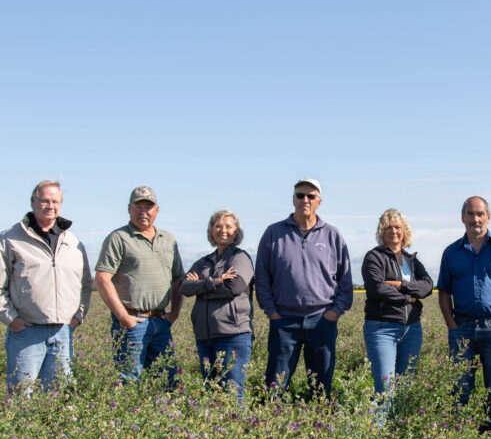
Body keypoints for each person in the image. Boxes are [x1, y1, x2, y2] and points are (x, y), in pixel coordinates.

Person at [0, 180, 92, 395]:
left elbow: (86, 285)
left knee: (59, 397)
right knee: (21, 396)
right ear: (33, 202)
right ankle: (20, 429)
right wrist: (12, 320)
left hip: (63, 331)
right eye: (44, 200)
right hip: (27, 332)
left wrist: (77, 317)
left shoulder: (72, 241)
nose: (50, 206)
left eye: (55, 201)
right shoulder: (11, 238)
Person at [254, 178, 353, 399]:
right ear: (293, 199)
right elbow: (261, 277)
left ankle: (319, 429)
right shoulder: (273, 233)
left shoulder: (332, 235)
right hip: (284, 321)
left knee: (321, 387)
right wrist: (272, 313)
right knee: (275, 387)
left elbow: (345, 280)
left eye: (310, 196)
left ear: (319, 202)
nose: (305, 200)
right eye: (300, 195)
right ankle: (271, 427)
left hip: (321, 320)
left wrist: (334, 313)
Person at [437, 196, 491, 432]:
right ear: (462, 217)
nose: (475, 219)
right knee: (460, 388)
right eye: (470, 214)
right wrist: (451, 325)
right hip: (462, 328)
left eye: (480, 214)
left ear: (488, 217)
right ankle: (459, 436)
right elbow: (443, 291)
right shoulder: (451, 252)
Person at [94, 186, 184, 385]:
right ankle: (124, 415)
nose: (143, 212)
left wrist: (175, 312)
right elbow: (102, 278)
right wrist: (123, 317)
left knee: (168, 379)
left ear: (156, 210)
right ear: (129, 209)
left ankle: (164, 416)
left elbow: (178, 278)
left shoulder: (168, 240)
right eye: (138, 207)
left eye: (148, 207)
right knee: (127, 381)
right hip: (131, 323)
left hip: (161, 321)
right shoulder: (118, 238)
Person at [362, 209, 434, 422]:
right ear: (381, 231)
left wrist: (401, 285)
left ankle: (396, 437)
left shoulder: (412, 260)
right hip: (382, 327)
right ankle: (376, 437)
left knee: (403, 387)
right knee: (386, 386)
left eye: (397, 227)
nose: (393, 231)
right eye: (388, 227)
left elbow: (428, 286)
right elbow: (377, 288)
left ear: (404, 232)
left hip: (412, 329)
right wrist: (408, 298)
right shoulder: (374, 257)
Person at [179, 210, 254, 402]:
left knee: (231, 393)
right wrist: (215, 281)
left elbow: (234, 287)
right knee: (211, 394)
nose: (223, 230)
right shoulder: (203, 262)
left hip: (233, 335)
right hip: (205, 336)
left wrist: (202, 286)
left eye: (228, 226)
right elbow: (185, 287)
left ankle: (237, 431)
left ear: (236, 231)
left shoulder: (241, 258)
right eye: (218, 226)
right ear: (211, 231)